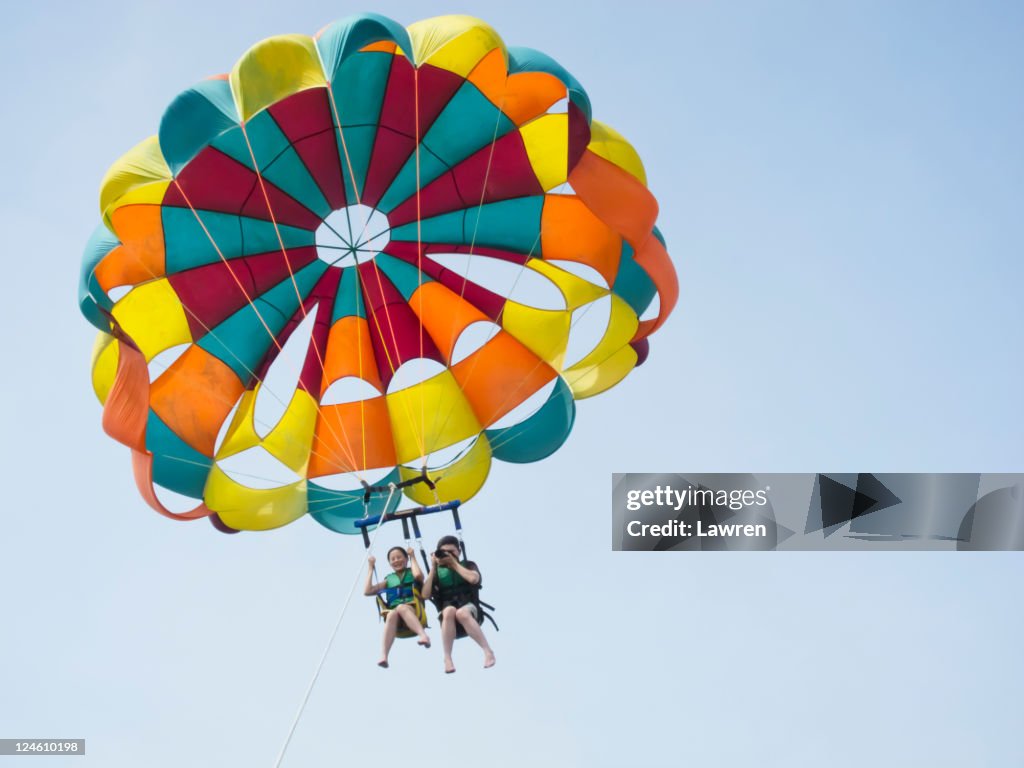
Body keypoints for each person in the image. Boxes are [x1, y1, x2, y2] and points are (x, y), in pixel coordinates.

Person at [422, 535, 496, 674]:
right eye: (445, 552)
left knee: (461, 612)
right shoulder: (437, 572)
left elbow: (474, 579)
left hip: (470, 610)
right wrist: (433, 567)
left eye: (452, 551)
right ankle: (447, 658)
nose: (449, 555)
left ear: (459, 551)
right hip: (448, 615)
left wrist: (454, 564)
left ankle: (487, 651)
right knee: (449, 610)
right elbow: (425, 595)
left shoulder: (467, 565)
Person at [364, 546, 430, 668]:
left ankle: (423, 635)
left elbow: (419, 576)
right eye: (392, 559)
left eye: (399, 557)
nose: (396, 560)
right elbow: (367, 591)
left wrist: (413, 557)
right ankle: (384, 656)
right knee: (391, 614)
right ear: (389, 563)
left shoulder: (412, 572)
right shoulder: (388, 579)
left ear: (406, 559)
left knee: (401, 608)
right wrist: (370, 568)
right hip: (396, 618)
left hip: (414, 609)